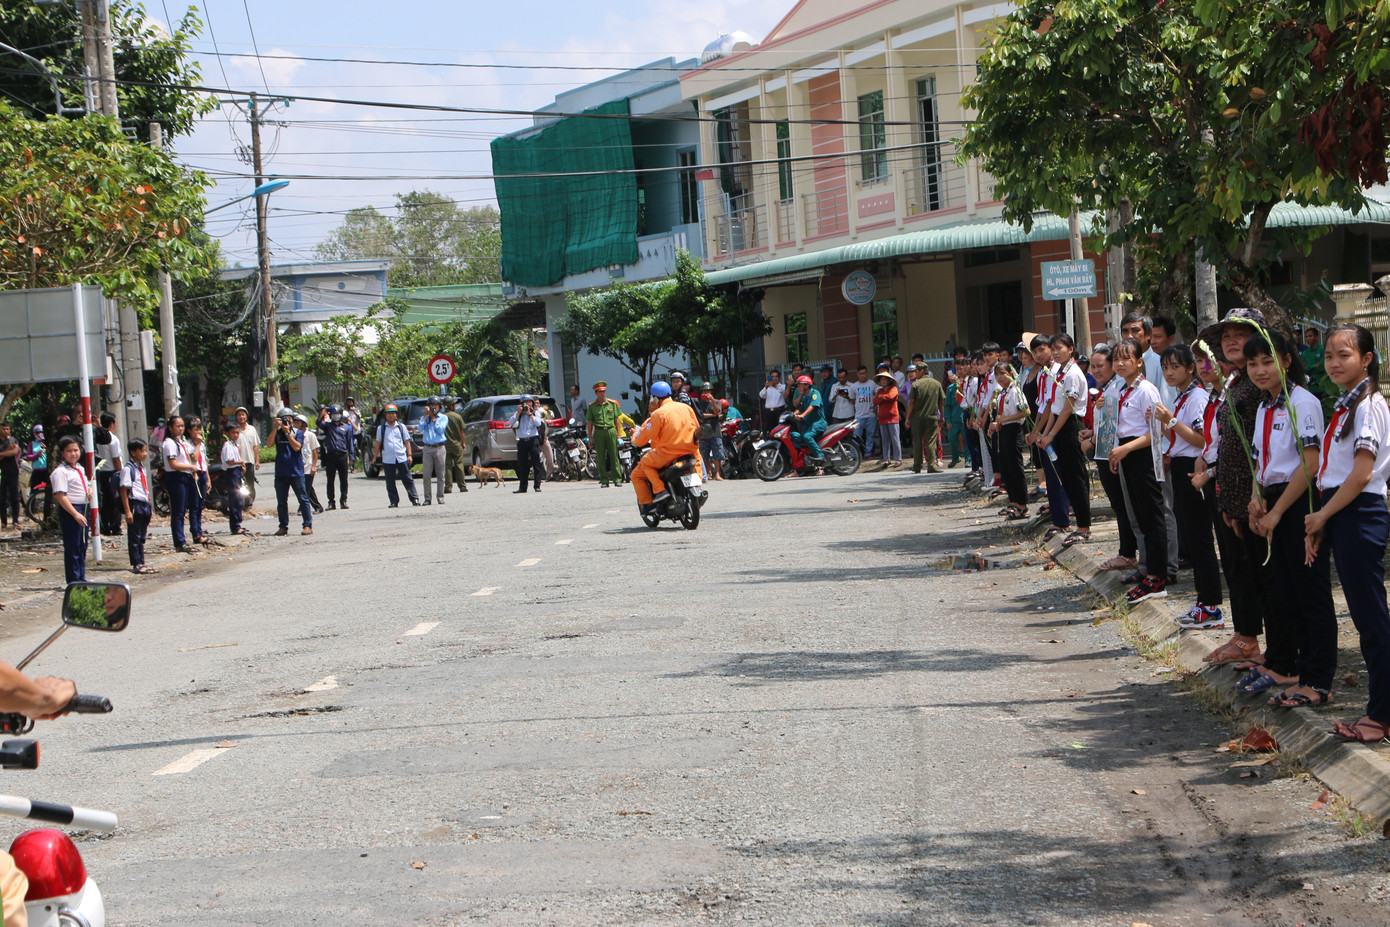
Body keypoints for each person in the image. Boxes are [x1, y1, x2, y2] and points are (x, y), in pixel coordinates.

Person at [1306, 324, 1390, 742]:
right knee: (1365, 617)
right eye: (1329, 356)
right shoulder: (1347, 402)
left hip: (1358, 513)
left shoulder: (1369, 405)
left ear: (1367, 359)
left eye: (1345, 355)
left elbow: (1360, 475)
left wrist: (1322, 516)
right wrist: (1326, 519)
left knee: (1372, 620)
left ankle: (1381, 715)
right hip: (1344, 514)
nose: (1335, 363)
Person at [1243, 327, 1333, 706]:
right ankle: (1297, 668)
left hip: (1299, 503)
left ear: (1286, 360)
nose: (1260, 370)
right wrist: (1254, 500)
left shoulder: (1302, 402)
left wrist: (1279, 512)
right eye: (1253, 363)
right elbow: (1260, 460)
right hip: (1272, 501)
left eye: (1268, 361)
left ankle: (1319, 679)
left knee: (1310, 592)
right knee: (1286, 591)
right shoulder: (1265, 404)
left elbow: (1310, 463)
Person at [1198, 308, 1275, 667]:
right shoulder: (1233, 382)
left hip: (1252, 499)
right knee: (1237, 568)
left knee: (1258, 572)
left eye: (1240, 334)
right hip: (1229, 497)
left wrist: (1248, 500)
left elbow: (1262, 449)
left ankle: (1259, 645)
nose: (1231, 341)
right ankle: (1244, 635)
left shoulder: (1259, 387)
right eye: (1226, 335)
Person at [1152, 344, 1223, 629]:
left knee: (1200, 539)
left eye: (1175, 367)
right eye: (1166, 367)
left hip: (1195, 467)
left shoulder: (1197, 397)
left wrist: (1171, 421)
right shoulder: (1183, 396)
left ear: (1190, 368)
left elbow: (1200, 439)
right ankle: (1203, 601)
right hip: (1181, 465)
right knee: (1193, 538)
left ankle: (1210, 605)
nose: (1169, 373)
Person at [1108, 338, 1169, 604]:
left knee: (1152, 516)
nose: (1120, 364)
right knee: (1139, 516)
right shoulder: (1122, 389)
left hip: (1142, 455)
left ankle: (1158, 576)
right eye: (1116, 359)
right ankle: (1146, 569)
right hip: (1126, 453)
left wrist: (1126, 449)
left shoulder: (1147, 390)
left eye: (1126, 358)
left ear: (1139, 361)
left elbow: (1155, 433)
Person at [1038, 333, 1093, 548]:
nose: (1057, 351)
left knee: (1076, 477)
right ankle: (1073, 524)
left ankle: (1084, 526)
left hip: (1071, 426)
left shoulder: (1072, 373)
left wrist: (1051, 433)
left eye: (1060, 347)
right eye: (1054, 348)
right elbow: (1053, 407)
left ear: (1071, 349)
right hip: (1059, 427)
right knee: (1066, 479)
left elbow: (1069, 407)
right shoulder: (1058, 372)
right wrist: (1047, 433)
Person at [630, 381, 700, 514]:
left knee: (642, 466)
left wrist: (634, 437)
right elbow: (696, 428)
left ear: (655, 398)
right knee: (697, 459)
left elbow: (642, 439)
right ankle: (697, 485)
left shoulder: (658, 414)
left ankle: (659, 491)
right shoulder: (686, 408)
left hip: (668, 454)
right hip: (690, 450)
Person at [988, 363, 1029, 518]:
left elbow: (1025, 411)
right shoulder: (1002, 393)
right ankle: (1014, 502)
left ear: (1010, 374)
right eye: (997, 374)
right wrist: (997, 424)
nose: (999, 377)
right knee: (1007, 468)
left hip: (1014, 430)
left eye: (1002, 373)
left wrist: (1006, 418)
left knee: (1016, 468)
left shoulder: (1015, 391)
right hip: (1004, 429)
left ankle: (1023, 505)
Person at [51, 434, 92, 583]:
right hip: (72, 511)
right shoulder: (60, 472)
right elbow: (60, 496)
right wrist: (75, 514)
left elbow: (84, 485)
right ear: (62, 453)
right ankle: (74, 580)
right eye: (69, 451)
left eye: (76, 450)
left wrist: (89, 489)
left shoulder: (79, 468)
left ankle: (81, 577)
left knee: (82, 545)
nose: (73, 453)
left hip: (83, 508)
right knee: (73, 546)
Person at [268, 408, 313, 535]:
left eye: (289, 418)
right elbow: (269, 444)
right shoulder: (277, 433)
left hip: (296, 472)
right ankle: (283, 526)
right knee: (281, 501)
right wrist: (275, 428)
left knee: (303, 499)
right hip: (281, 472)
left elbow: (297, 447)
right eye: (284, 418)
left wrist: (287, 433)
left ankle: (307, 525)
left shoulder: (297, 432)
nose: (286, 420)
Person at [161, 415, 197, 553]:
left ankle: (182, 540)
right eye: (178, 426)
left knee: (182, 511)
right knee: (178, 512)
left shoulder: (181, 442)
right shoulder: (169, 443)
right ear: (170, 428)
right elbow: (173, 463)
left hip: (185, 477)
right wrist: (190, 468)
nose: (181, 429)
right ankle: (179, 542)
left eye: (182, 426)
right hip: (176, 477)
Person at [120, 438, 156, 574]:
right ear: (133, 452)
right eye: (142, 451)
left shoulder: (142, 468)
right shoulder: (127, 469)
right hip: (135, 503)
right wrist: (128, 511)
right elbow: (124, 490)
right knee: (134, 536)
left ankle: (142, 561)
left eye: (146, 450)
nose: (145, 453)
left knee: (142, 536)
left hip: (144, 503)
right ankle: (137, 563)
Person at [374, 404, 419, 507]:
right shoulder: (381, 429)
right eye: (389, 413)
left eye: (393, 413)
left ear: (396, 415)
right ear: (385, 415)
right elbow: (378, 444)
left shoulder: (401, 427)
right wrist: (375, 457)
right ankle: (394, 501)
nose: (391, 415)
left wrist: (409, 455)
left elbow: (407, 442)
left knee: (407, 479)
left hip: (401, 457)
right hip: (388, 458)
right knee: (390, 482)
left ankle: (414, 499)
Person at [586, 381, 624, 487]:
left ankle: (617, 479)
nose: (603, 394)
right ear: (596, 393)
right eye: (600, 392)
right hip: (599, 431)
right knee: (601, 456)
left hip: (611, 430)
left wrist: (619, 435)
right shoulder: (592, 406)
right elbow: (590, 422)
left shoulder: (612, 404)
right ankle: (604, 480)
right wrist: (589, 437)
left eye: (604, 391)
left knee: (613, 455)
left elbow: (617, 420)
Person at [907, 363, 944, 474]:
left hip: (918, 417)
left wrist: (907, 418)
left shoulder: (915, 385)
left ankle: (917, 466)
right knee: (931, 441)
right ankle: (931, 466)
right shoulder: (936, 384)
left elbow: (911, 403)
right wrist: (942, 415)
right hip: (932, 417)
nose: (915, 373)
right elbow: (940, 402)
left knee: (918, 441)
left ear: (922, 371)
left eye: (916, 371)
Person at [319, 405, 356, 509]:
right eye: (334, 414)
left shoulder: (347, 427)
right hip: (330, 456)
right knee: (330, 480)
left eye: (337, 414)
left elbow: (350, 442)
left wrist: (352, 456)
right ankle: (331, 502)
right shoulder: (328, 426)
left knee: (343, 480)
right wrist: (322, 414)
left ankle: (343, 501)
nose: (336, 416)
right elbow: (318, 423)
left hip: (342, 455)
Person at [788, 375, 827, 470]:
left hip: (818, 423)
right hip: (809, 424)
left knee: (807, 436)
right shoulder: (804, 397)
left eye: (799, 385)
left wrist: (802, 415)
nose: (798, 387)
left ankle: (820, 455)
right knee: (793, 436)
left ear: (806, 385)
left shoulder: (815, 393)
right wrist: (790, 415)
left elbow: (812, 407)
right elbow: (799, 409)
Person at [94, 411, 123, 538]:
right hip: (112, 472)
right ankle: (115, 527)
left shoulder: (95, 437)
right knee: (115, 501)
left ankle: (104, 527)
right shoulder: (112, 439)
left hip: (100, 473)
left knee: (104, 502)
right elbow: (116, 458)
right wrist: (120, 473)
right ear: (112, 424)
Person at [509, 397, 546, 493]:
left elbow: (538, 423)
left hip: (533, 440)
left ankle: (537, 486)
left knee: (536, 463)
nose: (527, 405)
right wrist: (518, 413)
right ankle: (522, 487)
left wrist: (530, 414)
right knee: (522, 464)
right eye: (525, 403)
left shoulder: (535, 412)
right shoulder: (519, 414)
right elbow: (510, 422)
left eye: (529, 403)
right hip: (522, 440)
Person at [417, 397, 448, 505]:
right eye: (431, 405)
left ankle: (440, 497)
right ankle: (427, 498)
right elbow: (420, 428)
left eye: (436, 405)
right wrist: (426, 415)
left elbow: (440, 429)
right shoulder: (425, 417)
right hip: (427, 448)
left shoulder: (443, 417)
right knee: (426, 474)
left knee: (440, 474)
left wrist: (433, 417)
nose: (433, 407)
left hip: (439, 447)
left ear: (439, 406)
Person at [221, 422, 249, 536]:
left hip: (236, 471)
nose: (236, 435)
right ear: (227, 433)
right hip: (231, 472)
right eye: (233, 433)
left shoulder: (234, 444)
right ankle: (235, 526)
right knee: (235, 500)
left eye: (237, 432)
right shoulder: (227, 445)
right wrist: (241, 462)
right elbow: (229, 461)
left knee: (239, 499)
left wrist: (241, 466)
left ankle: (238, 523)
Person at [186, 417, 211, 544]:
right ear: (189, 431)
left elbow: (204, 462)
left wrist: (208, 479)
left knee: (201, 504)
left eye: (199, 429)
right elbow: (194, 458)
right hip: (194, 474)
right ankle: (195, 533)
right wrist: (198, 444)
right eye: (195, 430)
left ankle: (199, 530)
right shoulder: (188, 444)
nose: (198, 432)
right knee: (194, 505)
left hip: (202, 473)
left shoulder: (202, 444)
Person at [294, 413, 325, 514]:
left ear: (304, 424)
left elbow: (315, 452)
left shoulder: (310, 435)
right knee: (307, 488)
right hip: (299, 466)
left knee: (305, 488)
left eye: (298, 422)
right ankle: (318, 507)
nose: (296, 424)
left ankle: (302, 508)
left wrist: (314, 466)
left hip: (308, 465)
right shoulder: (294, 434)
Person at [872, 370, 902, 468]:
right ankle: (886, 459)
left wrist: (882, 397)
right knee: (885, 440)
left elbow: (890, 396)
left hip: (892, 417)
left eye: (885, 379)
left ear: (888, 380)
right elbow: (875, 400)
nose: (883, 381)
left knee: (895, 439)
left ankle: (898, 459)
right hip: (882, 417)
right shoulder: (879, 391)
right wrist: (882, 397)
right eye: (882, 379)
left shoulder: (893, 388)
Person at [234, 407, 261, 503]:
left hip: (249, 461)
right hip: (238, 462)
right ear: (236, 417)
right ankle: (241, 503)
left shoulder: (252, 429)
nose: (241, 417)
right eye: (239, 415)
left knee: (250, 484)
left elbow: (255, 446)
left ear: (246, 416)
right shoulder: (235, 430)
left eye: (243, 414)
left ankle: (249, 504)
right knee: (239, 485)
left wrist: (257, 460)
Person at [443, 398, 469, 496]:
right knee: (459, 465)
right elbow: (462, 431)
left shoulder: (441, 417)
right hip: (456, 444)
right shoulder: (457, 416)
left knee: (447, 466)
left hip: (445, 445)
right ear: (451, 405)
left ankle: (448, 487)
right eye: (454, 404)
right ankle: (462, 486)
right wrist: (463, 442)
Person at [0, 421, 19, 533]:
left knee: (15, 498)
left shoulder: (13, 440)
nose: (6, 431)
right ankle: (4, 521)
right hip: (3, 473)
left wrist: (2, 453)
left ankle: (15, 520)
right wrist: (7, 451)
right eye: (4, 429)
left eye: (7, 429)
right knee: (2, 499)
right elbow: (10, 451)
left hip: (14, 472)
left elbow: (15, 451)